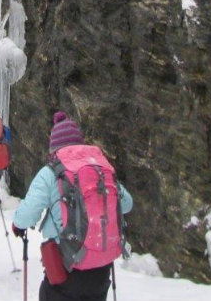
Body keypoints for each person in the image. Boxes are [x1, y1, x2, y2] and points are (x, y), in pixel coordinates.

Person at [11, 112, 133, 301]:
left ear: (54, 147)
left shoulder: (51, 172)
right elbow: (126, 204)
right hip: (102, 267)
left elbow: (27, 213)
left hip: (67, 265)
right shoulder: (102, 169)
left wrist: (18, 225)